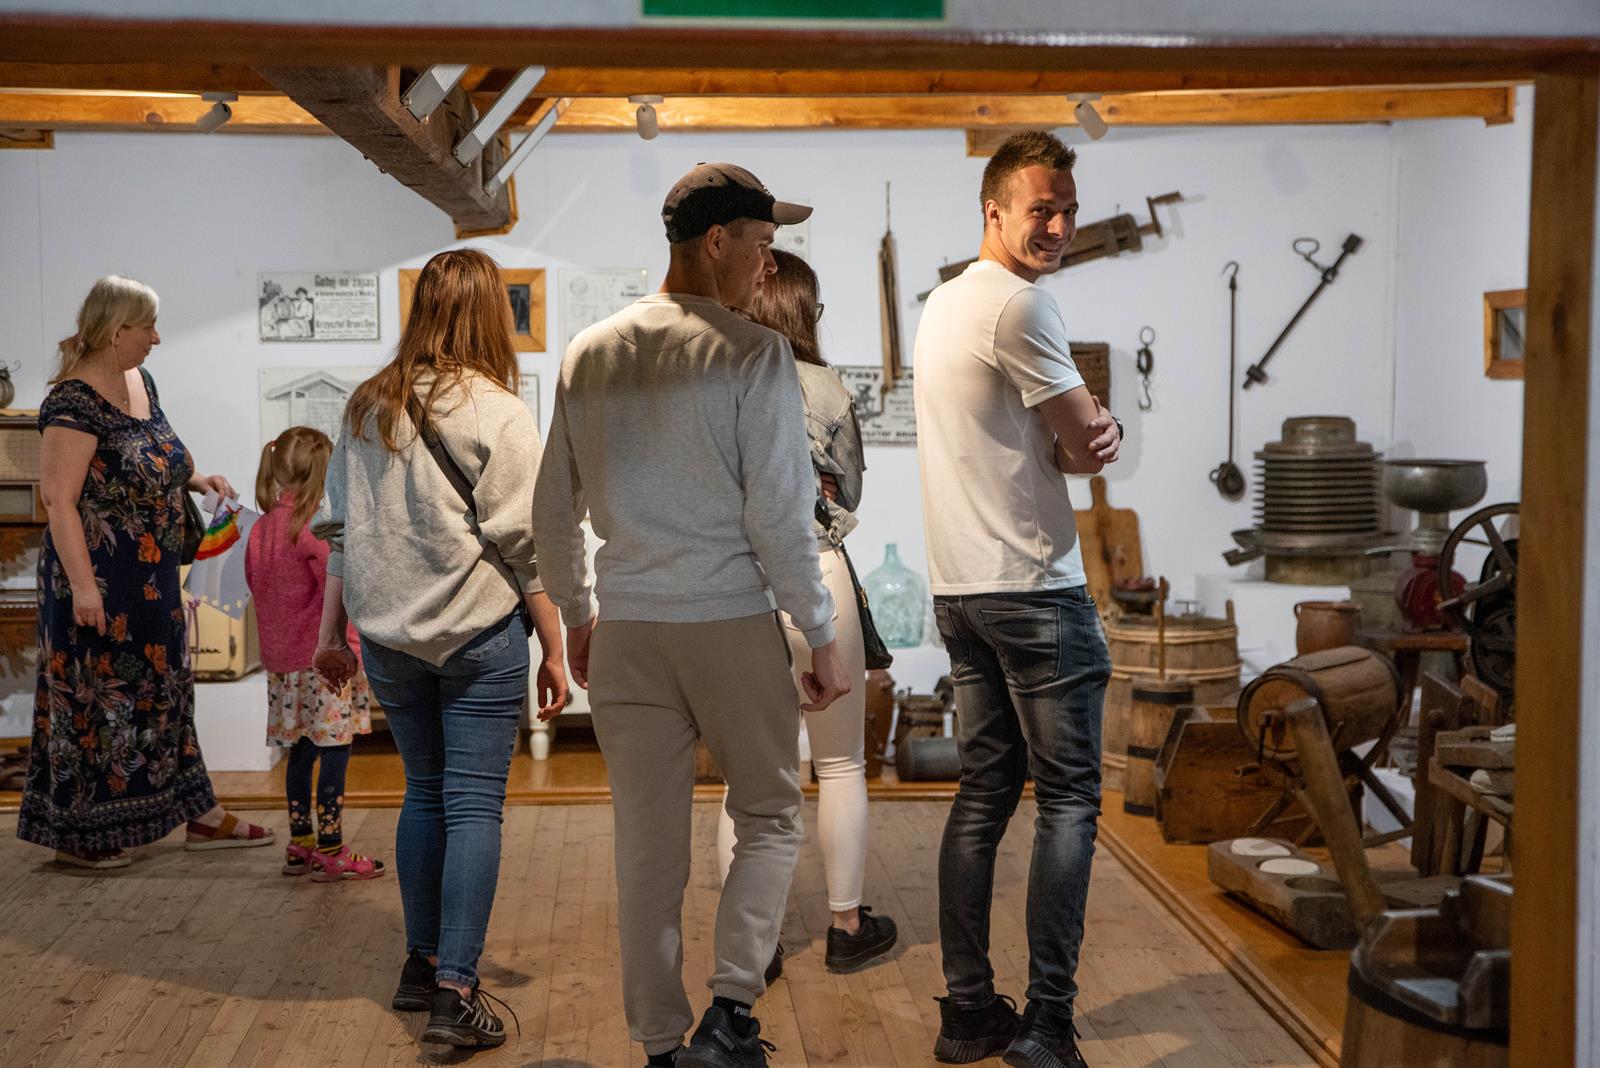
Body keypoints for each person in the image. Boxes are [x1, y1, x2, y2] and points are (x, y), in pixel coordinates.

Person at [532, 163, 851, 1068]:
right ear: (717, 242)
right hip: (728, 622)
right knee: (771, 814)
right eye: (763, 243)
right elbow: (778, 518)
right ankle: (731, 1015)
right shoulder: (753, 353)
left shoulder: (591, 350)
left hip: (629, 631)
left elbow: (551, 511)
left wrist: (579, 615)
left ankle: (661, 1047)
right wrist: (820, 635)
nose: (770, 263)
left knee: (646, 850)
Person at [312, 248, 568, 1049]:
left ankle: (420, 967)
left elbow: (342, 533)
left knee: (424, 793)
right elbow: (527, 544)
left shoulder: (366, 408)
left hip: (389, 641)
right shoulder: (498, 410)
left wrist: (329, 634)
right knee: (472, 804)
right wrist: (556, 645)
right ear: (492, 314)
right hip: (478, 635)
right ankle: (456, 993)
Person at [913, 131, 1123, 1068]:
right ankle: (1046, 1025)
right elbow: (1082, 445)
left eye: (1069, 210)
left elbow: (1049, 442)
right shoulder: (1021, 304)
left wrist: (1079, 439)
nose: (1061, 226)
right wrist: (1096, 432)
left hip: (961, 590)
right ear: (993, 210)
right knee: (1069, 798)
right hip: (1034, 588)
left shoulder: (944, 303)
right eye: (1043, 209)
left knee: (985, 793)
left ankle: (968, 1012)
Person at [20, 274, 275, 869]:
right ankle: (82, 836)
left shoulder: (140, 380)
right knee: (95, 701)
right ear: (116, 331)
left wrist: (198, 479)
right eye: (148, 327)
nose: (156, 338)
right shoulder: (72, 403)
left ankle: (198, 812)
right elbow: (58, 501)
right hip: (98, 584)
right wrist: (84, 588)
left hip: (152, 582)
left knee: (165, 694)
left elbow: (149, 451)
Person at [713, 249, 897, 977]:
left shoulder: (714, 380)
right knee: (842, 762)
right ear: (801, 311)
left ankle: (753, 945)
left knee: (747, 777)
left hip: (738, 585)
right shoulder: (826, 387)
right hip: (818, 573)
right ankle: (846, 927)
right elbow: (848, 494)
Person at [244, 425, 382, 882]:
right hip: (323, 666)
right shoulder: (313, 530)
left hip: (283, 667)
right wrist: (352, 649)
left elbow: (257, 587)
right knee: (335, 751)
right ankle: (332, 848)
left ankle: (300, 844)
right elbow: (337, 593)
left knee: (299, 752)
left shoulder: (261, 529)